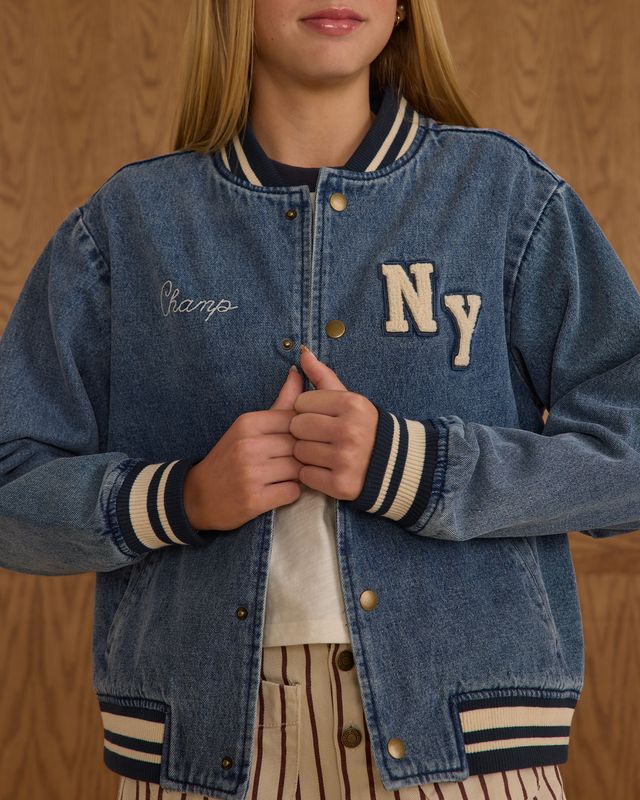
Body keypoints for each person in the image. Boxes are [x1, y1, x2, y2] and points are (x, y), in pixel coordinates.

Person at [1, 0, 639, 798]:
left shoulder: (507, 198)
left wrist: (417, 467)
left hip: (472, 749)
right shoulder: (130, 224)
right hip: (201, 755)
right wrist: (178, 498)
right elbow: (10, 482)